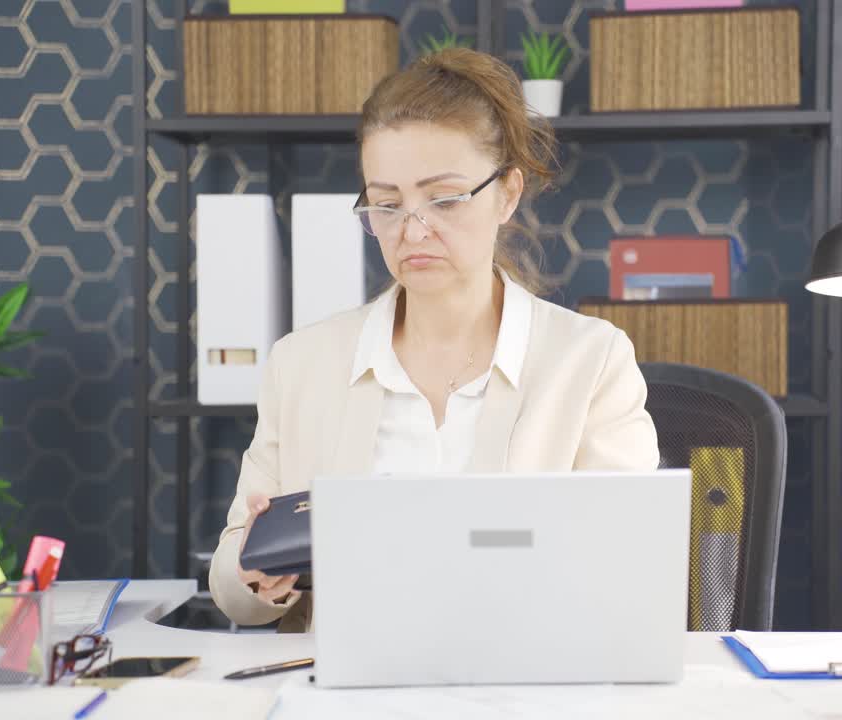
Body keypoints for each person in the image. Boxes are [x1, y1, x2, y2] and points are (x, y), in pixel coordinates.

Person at [209, 48, 659, 632]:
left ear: (507, 193)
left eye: (443, 199)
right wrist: (256, 573)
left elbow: (629, 568)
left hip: (528, 682)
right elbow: (228, 576)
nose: (412, 231)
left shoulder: (591, 359)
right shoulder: (302, 363)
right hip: (346, 687)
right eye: (387, 205)